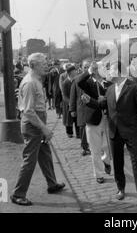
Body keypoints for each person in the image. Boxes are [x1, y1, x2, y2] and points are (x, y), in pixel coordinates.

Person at [10, 53, 65, 206]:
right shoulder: (30, 83)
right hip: (33, 125)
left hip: (37, 122)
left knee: (45, 154)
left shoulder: (35, 80)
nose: (46, 66)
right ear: (33, 65)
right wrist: (44, 129)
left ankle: (52, 183)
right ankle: (18, 194)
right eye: (43, 64)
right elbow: (28, 111)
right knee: (30, 160)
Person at [100, 60, 137, 209]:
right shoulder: (110, 89)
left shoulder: (134, 87)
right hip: (114, 131)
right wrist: (88, 101)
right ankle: (120, 188)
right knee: (117, 162)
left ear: (118, 71)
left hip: (130, 130)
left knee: (136, 162)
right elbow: (102, 104)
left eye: (110, 70)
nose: (108, 73)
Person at [77, 61, 112, 184]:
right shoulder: (87, 82)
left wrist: (106, 100)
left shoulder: (109, 82)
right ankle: (98, 174)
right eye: (96, 68)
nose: (99, 70)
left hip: (107, 119)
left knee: (108, 147)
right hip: (93, 119)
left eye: (100, 68)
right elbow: (78, 82)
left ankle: (106, 161)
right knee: (95, 148)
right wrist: (89, 71)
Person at [69, 60, 91, 156]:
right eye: (85, 67)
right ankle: (85, 147)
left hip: (92, 108)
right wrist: (72, 109)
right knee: (82, 128)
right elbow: (72, 95)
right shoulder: (76, 79)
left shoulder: (94, 79)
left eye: (88, 67)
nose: (86, 69)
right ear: (81, 68)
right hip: (81, 108)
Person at [62, 65, 80, 138]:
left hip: (76, 103)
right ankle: (69, 132)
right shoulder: (65, 82)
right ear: (70, 73)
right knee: (68, 119)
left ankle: (78, 133)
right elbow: (64, 95)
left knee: (77, 119)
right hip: (68, 104)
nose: (76, 72)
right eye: (74, 71)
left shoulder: (77, 80)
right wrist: (70, 102)